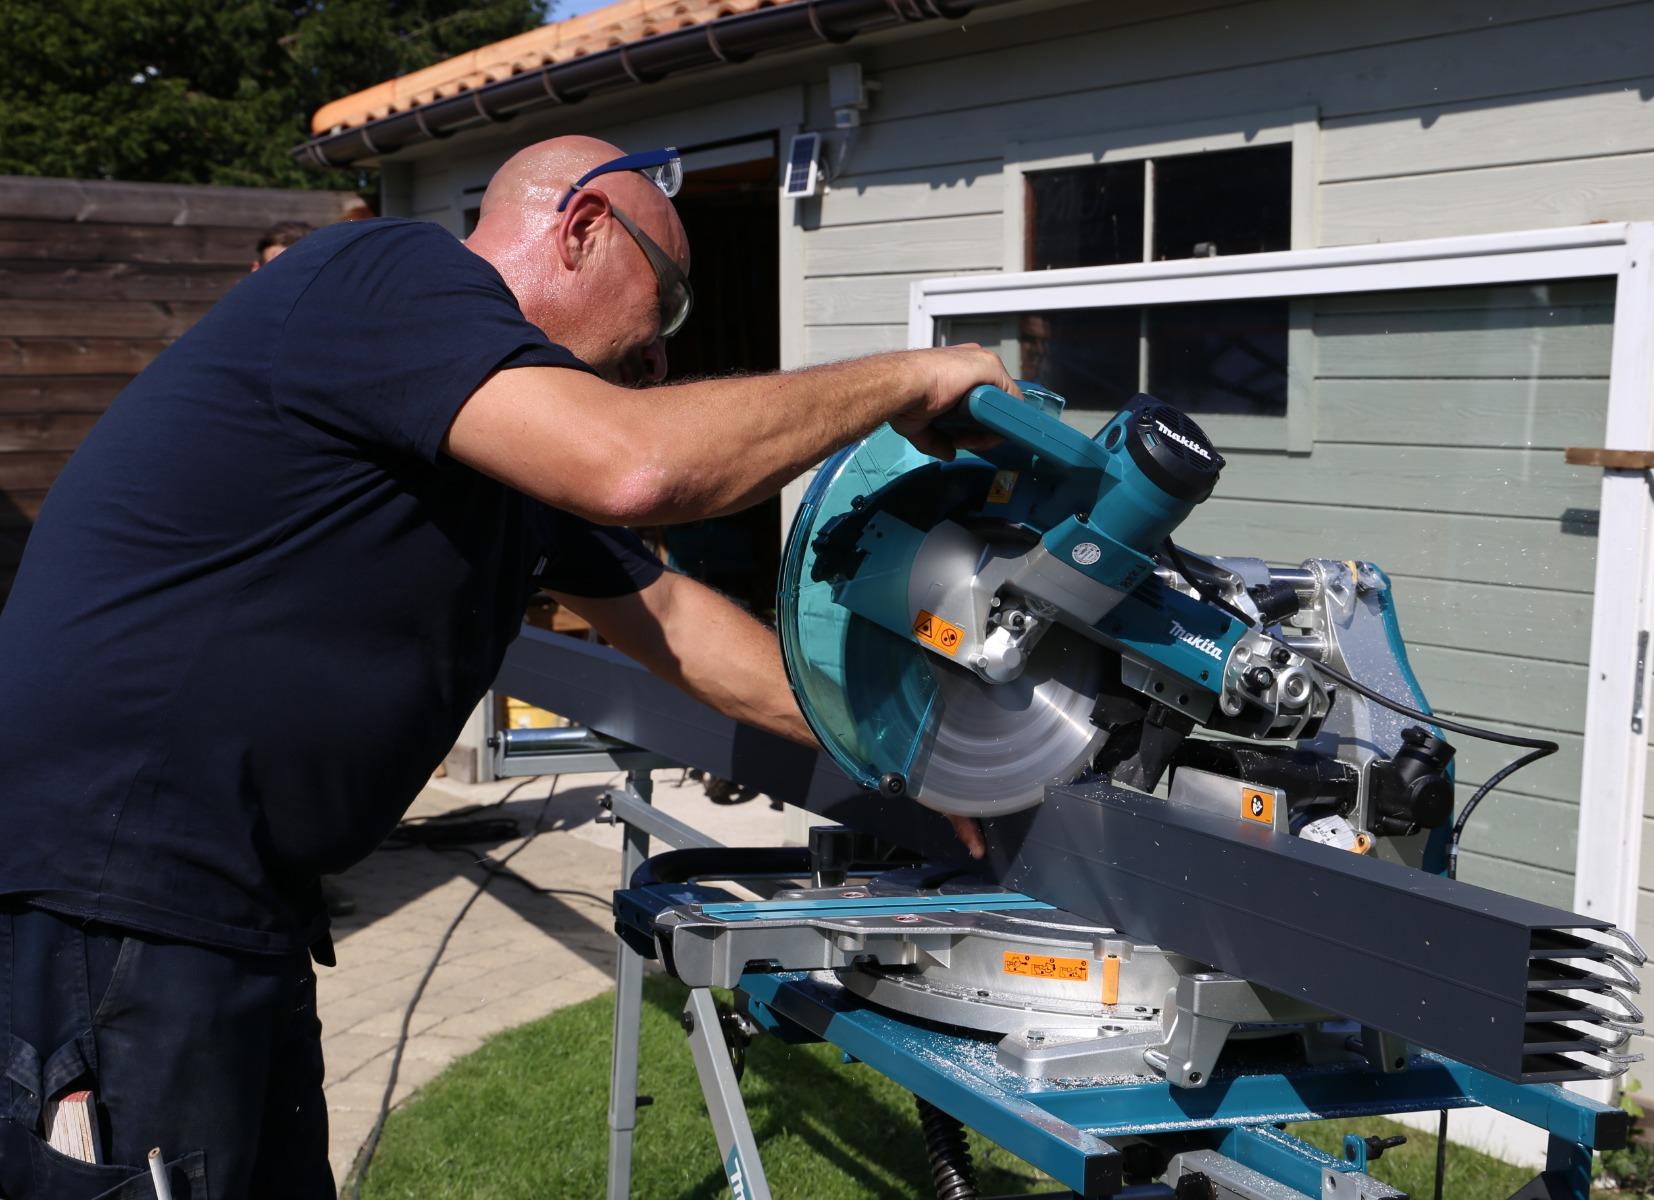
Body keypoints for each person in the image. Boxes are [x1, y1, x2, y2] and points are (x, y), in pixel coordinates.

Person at [0, 135, 1009, 1197]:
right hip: (110, 891)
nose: (661, 357)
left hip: (232, 911)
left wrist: (919, 753)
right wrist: (910, 374)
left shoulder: (504, 446)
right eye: (664, 306)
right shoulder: (391, 275)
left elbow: (679, 624)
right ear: (580, 229)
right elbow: (640, 465)